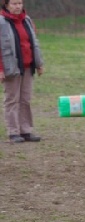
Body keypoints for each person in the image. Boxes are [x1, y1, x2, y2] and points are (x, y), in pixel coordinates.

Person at [0, 0, 44, 143]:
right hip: (10, 67)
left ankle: (26, 130)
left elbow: (34, 43)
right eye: (14, 3)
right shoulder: (1, 22)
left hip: (27, 66)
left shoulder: (27, 20)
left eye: (20, 3)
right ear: (6, 5)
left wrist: (39, 63)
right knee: (12, 100)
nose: (18, 6)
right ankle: (13, 132)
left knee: (25, 99)